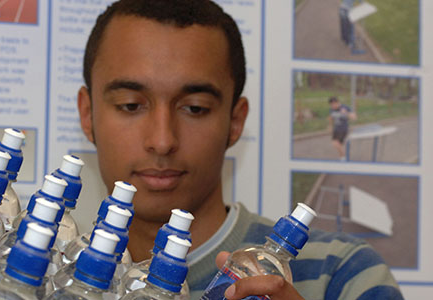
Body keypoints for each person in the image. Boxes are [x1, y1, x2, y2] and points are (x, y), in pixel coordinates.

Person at [76, 0, 402, 299]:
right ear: (88, 115)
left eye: (195, 108)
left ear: (235, 121)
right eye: (131, 105)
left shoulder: (342, 274)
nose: (162, 141)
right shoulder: (49, 275)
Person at [328, 96, 357, 160]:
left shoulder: (345, 107)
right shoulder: (332, 109)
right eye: (331, 105)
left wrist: (346, 113)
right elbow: (330, 117)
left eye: (334, 104)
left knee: (335, 143)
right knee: (338, 144)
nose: (333, 106)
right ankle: (343, 157)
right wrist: (330, 126)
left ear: (338, 102)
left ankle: (343, 157)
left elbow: (354, 117)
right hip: (336, 129)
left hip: (343, 129)